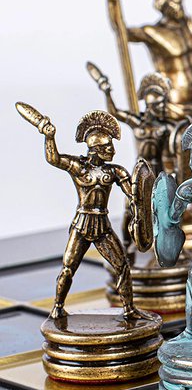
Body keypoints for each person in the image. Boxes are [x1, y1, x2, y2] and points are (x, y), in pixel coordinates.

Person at [41, 111, 136, 319]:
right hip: (81, 225)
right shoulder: (78, 167)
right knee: (68, 268)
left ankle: (129, 309)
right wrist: (49, 137)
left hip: (103, 226)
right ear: (96, 149)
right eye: (108, 147)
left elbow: (133, 195)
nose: (112, 150)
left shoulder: (115, 172)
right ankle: (57, 307)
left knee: (122, 266)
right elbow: (54, 158)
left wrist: (140, 202)